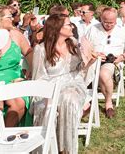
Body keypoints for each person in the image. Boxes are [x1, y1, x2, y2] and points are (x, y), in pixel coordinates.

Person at [31, 13, 96, 154]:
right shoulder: (41, 50)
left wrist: (90, 62)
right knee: (48, 108)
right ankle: (48, 148)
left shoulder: (73, 44)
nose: (72, 26)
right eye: (68, 24)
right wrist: (53, 91)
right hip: (50, 88)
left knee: (69, 98)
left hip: (74, 83)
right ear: (58, 28)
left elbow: (80, 69)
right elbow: (38, 79)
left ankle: (67, 149)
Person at [0, 5, 32, 135]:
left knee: (18, 103)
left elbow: (30, 54)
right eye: (9, 16)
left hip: (13, 79)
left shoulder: (16, 35)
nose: (13, 18)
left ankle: (3, 139)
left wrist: (31, 72)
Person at [86, 7, 125, 118]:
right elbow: (84, 46)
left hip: (112, 61)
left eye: (111, 23)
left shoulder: (122, 31)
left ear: (116, 20)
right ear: (100, 19)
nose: (108, 25)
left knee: (103, 74)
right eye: (105, 22)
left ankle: (108, 103)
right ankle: (85, 100)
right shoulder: (93, 29)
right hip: (93, 60)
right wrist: (93, 53)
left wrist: (122, 57)